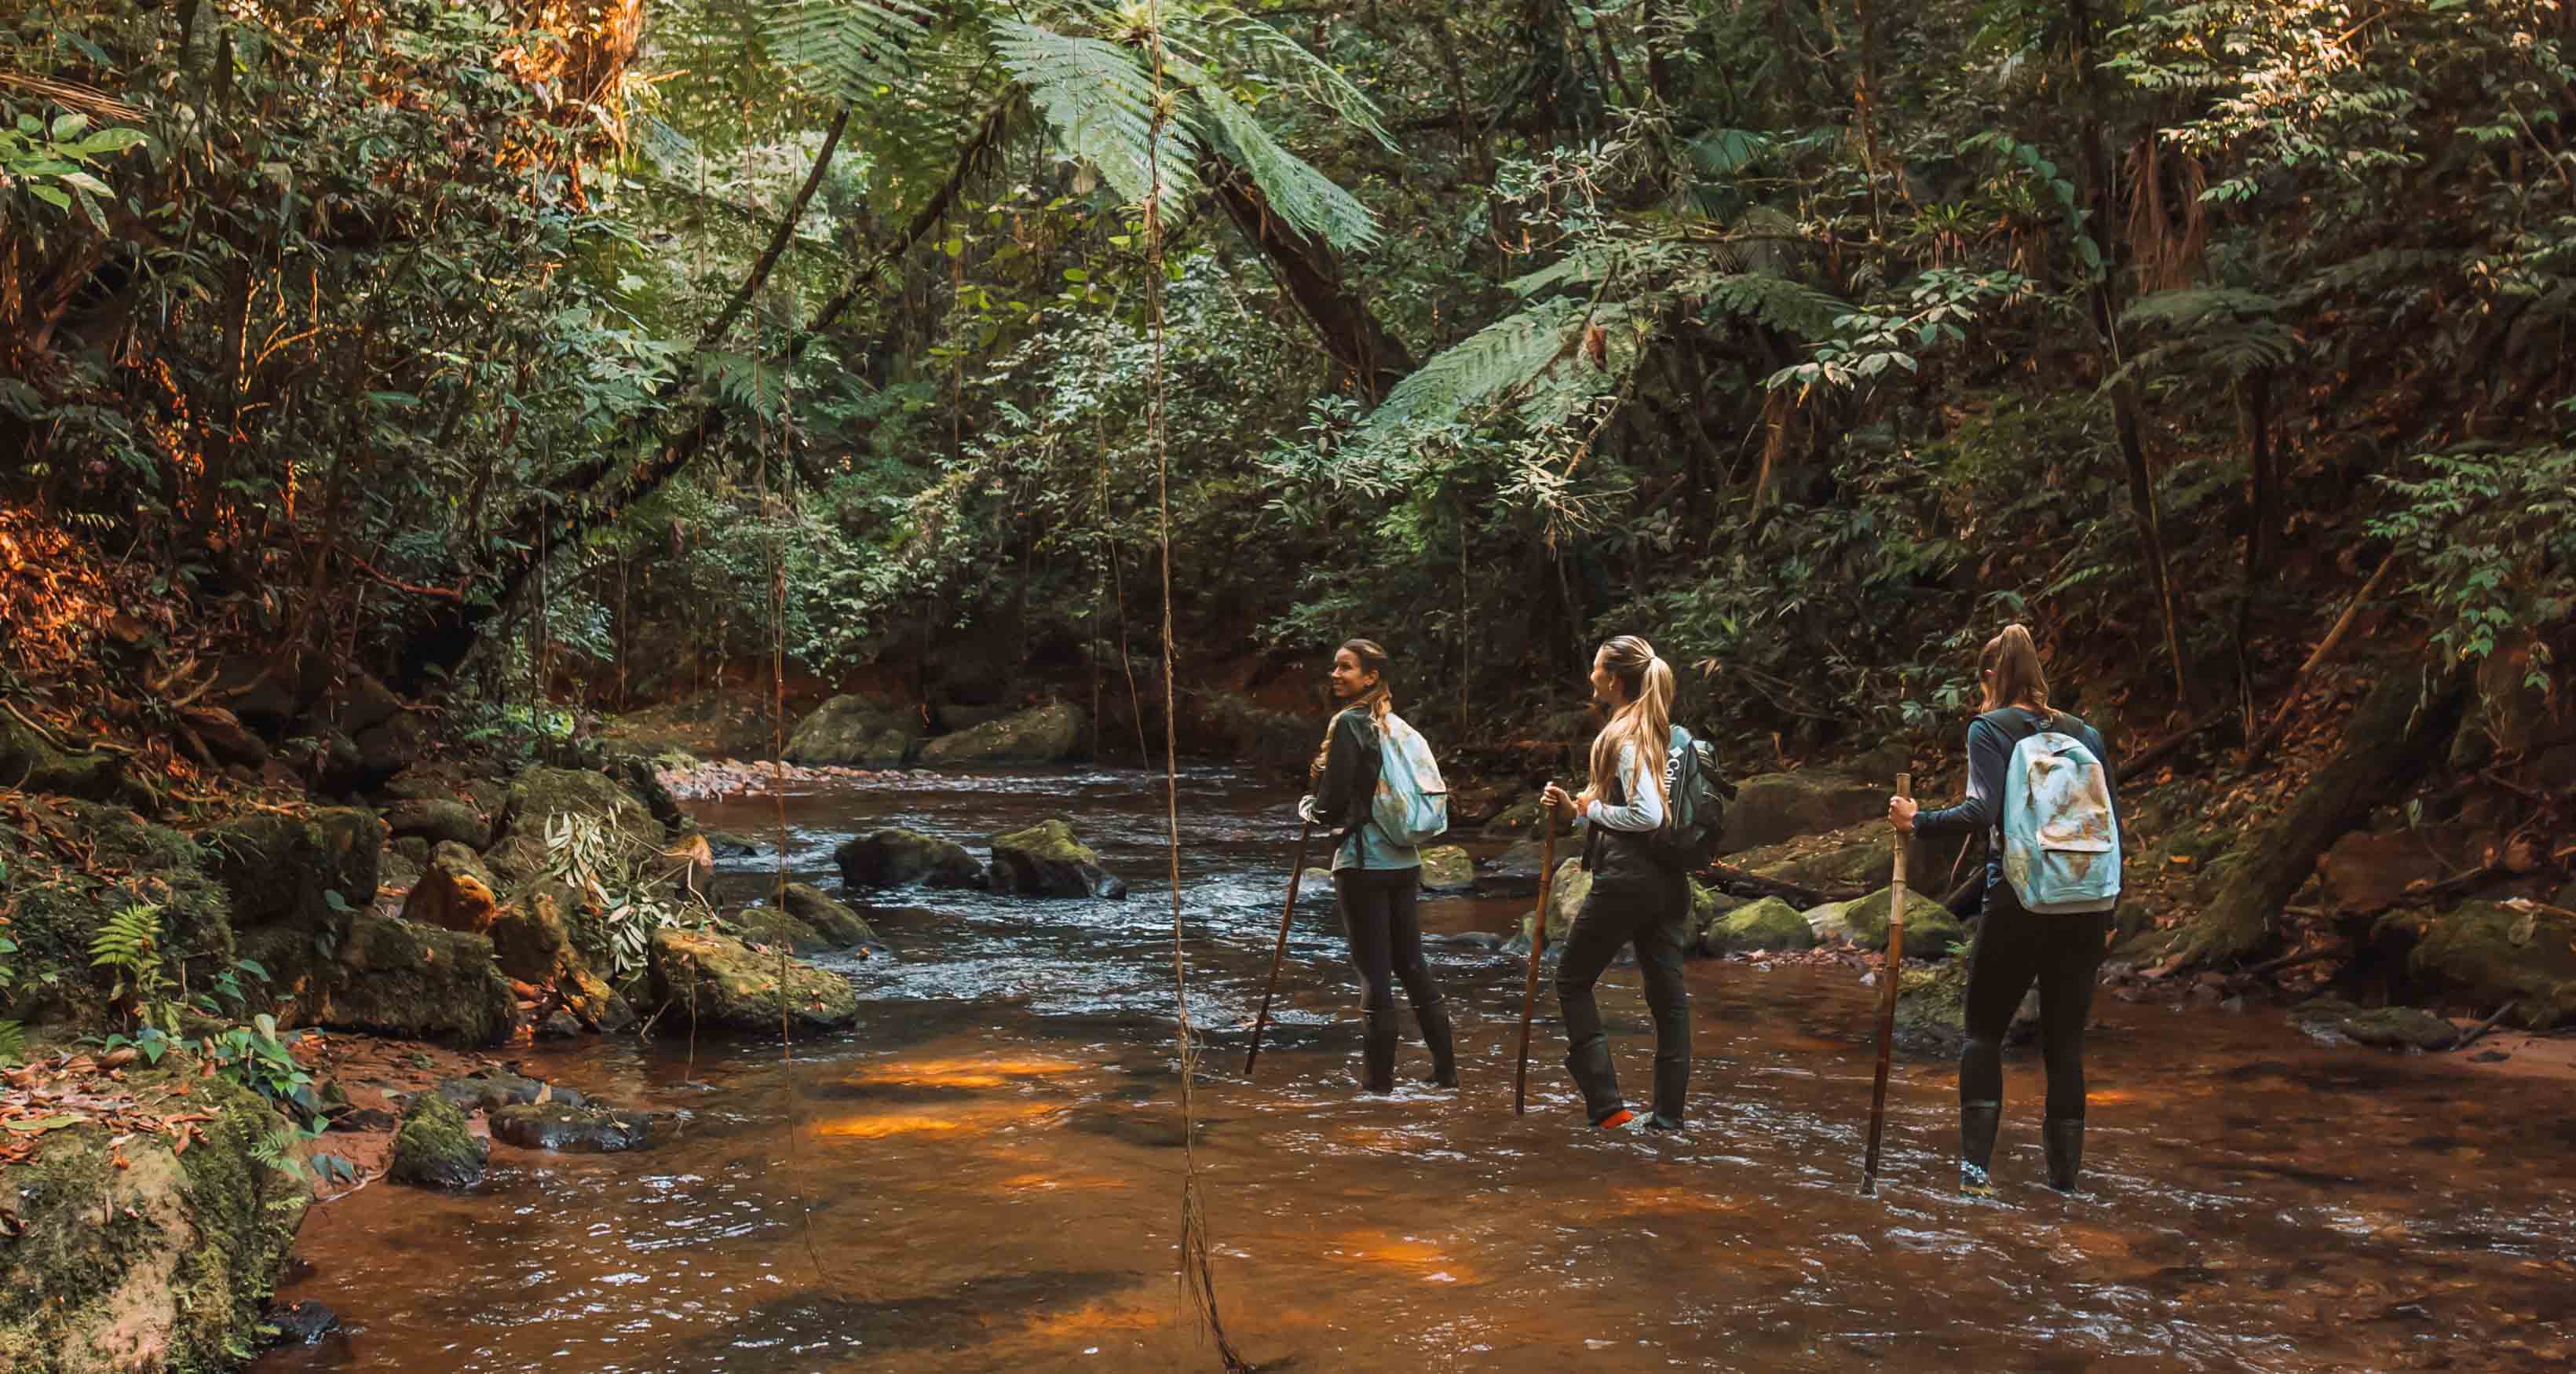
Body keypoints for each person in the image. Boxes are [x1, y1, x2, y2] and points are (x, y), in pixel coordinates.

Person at [1888, 624, 2119, 1195]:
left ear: (1991, 677)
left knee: (1982, 1034)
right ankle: (2063, 1185)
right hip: (2086, 902)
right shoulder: (2085, 733)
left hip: (2017, 899)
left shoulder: (1989, 729)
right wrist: (2110, 914)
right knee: (2064, 1044)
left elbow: (1979, 811)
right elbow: (2115, 825)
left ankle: (1974, 1177)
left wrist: (1916, 822)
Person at [1541, 634, 1690, 1133]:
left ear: (1614, 680)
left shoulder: (1624, 735)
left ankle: (1608, 1109)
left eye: (1596, 668)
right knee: (1668, 1000)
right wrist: (1578, 812)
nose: (1590, 676)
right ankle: (1667, 1120)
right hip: (1669, 881)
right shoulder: (1664, 731)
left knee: (1572, 980)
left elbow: (1645, 814)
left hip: (1628, 880)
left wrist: (1590, 809)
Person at [1301, 638, 1455, 1094]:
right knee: (1412, 965)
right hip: (1405, 862)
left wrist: (1309, 808)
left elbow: (1332, 803)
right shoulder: (1397, 726)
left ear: (1371, 677)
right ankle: (1446, 1075)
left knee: (1373, 973)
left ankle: (1377, 1088)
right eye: (1335, 667)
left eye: (1345, 668)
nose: (1335, 674)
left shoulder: (1350, 724)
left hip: (1362, 862)